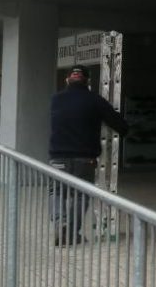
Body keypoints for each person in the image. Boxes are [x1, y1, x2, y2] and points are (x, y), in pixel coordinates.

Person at [49, 64, 129, 244]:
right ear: (87, 82)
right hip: (85, 158)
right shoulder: (94, 100)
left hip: (58, 157)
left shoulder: (56, 99)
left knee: (56, 192)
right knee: (81, 195)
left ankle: (61, 223)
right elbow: (120, 125)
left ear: (67, 80)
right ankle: (71, 233)